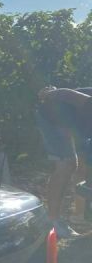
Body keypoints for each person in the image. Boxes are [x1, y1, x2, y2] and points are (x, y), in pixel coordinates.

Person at [36, 86, 92, 238]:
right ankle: (52, 221)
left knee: (81, 167)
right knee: (67, 164)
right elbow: (67, 94)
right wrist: (50, 93)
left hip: (75, 123)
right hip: (52, 117)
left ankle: (78, 216)